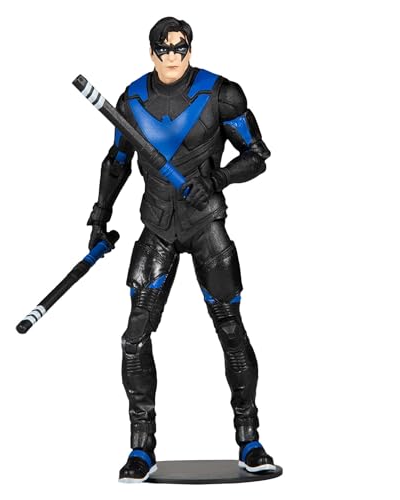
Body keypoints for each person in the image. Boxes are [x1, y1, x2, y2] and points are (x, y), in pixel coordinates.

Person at [87, 16, 276, 483]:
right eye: (163, 48)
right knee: (134, 338)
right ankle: (141, 449)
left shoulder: (221, 94)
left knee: (230, 329)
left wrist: (217, 179)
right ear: (151, 51)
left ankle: (250, 441)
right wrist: (100, 217)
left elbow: (257, 155)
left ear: (190, 48)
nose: (172, 55)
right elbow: (117, 161)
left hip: (206, 224)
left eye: (180, 47)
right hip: (157, 228)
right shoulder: (131, 99)